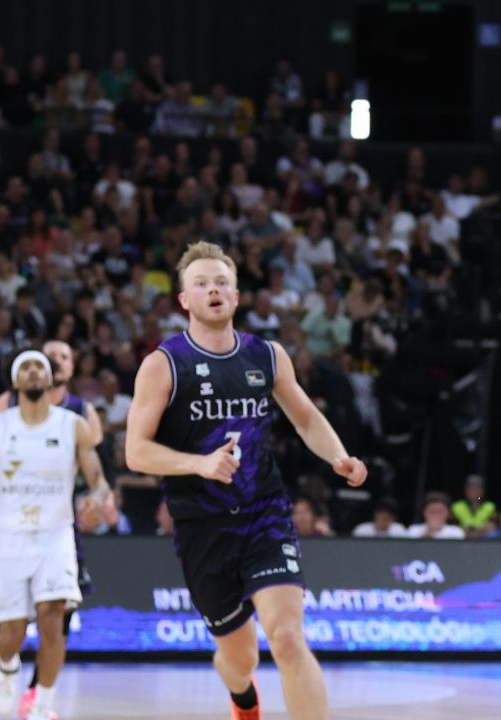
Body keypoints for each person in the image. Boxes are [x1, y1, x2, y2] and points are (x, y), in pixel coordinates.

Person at [125, 242, 368, 720]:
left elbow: (305, 417)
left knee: (286, 636)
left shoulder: (266, 355)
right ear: (184, 301)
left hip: (264, 514)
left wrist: (339, 456)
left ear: (236, 297)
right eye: (201, 283)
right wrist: (198, 464)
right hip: (203, 525)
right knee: (241, 660)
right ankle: (242, 697)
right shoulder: (163, 364)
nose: (212, 289)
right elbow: (136, 451)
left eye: (221, 282)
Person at [0, 351, 112, 720]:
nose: (34, 373)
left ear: (49, 381)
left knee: (53, 619)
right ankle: (5, 665)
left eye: (40, 368)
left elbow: (97, 479)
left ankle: (42, 703)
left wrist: (97, 499)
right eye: (26, 368)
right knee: (12, 633)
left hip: (55, 536)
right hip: (8, 537)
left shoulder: (72, 425)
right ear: (15, 383)